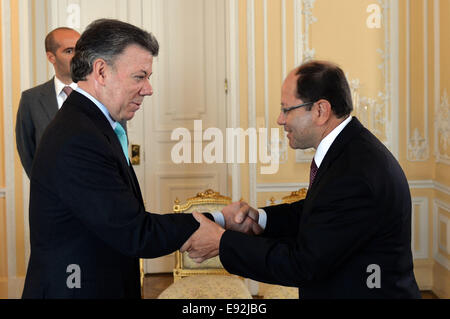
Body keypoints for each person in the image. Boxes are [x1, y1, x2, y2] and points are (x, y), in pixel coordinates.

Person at [22, 19, 239, 299]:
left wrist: (218, 220)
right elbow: (136, 232)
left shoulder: (93, 124)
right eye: (140, 76)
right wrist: (218, 220)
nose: (148, 89)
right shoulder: (79, 136)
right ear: (100, 71)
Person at [182, 61, 421, 299]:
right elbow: (319, 212)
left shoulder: (355, 170)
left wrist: (222, 242)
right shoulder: (349, 149)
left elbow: (303, 264)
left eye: (287, 109)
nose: (280, 119)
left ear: (320, 110)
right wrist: (260, 220)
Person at [16, 27, 80, 177]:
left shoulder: (101, 95)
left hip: (95, 193)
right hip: (51, 194)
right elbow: (27, 151)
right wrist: (44, 186)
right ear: (51, 57)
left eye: (81, 50)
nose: (78, 57)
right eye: (69, 51)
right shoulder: (31, 99)